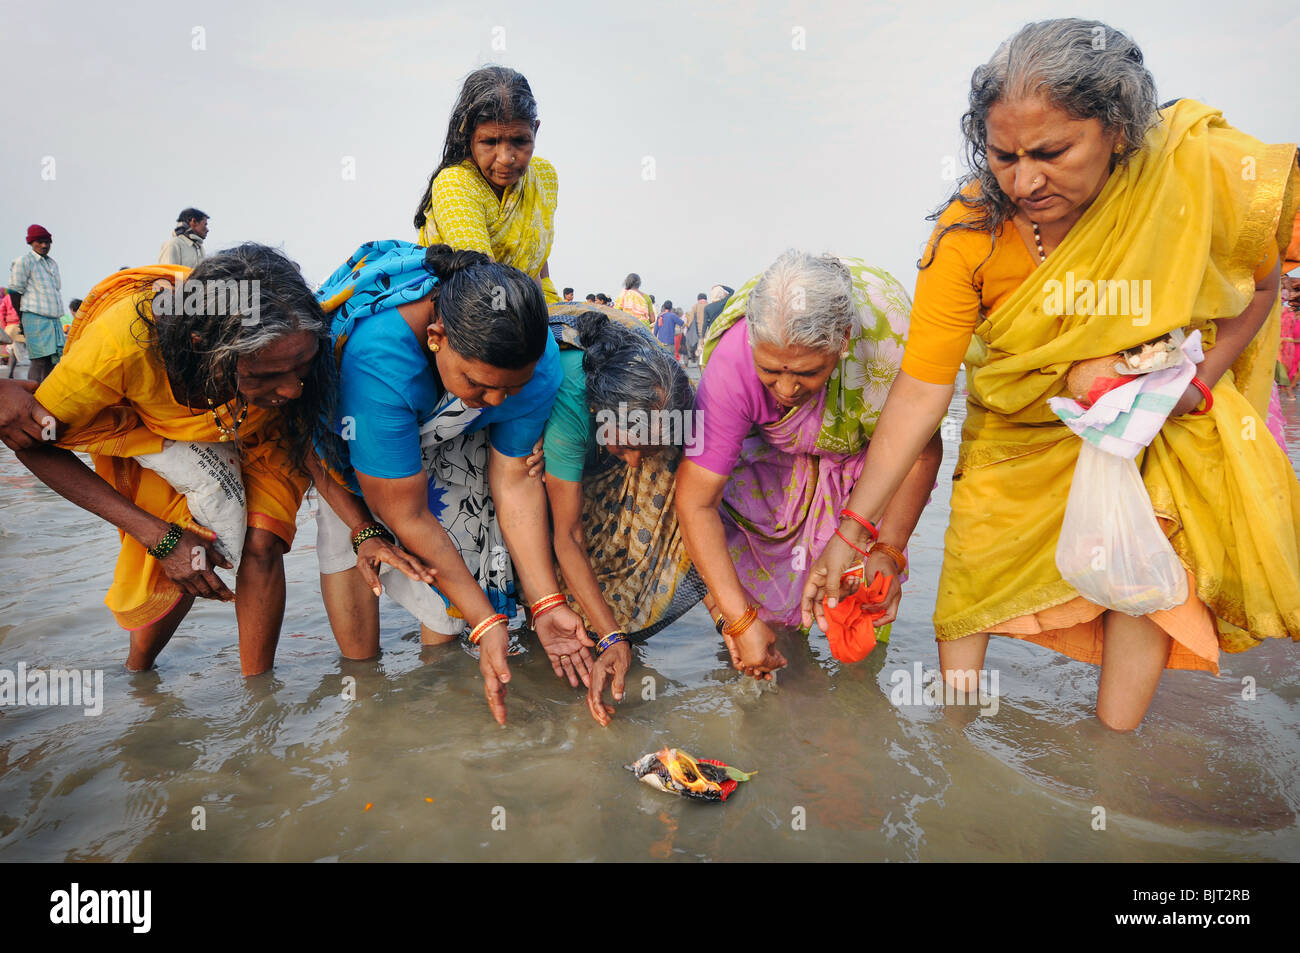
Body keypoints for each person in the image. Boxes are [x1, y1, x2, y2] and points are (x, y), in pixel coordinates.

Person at [801, 18, 1300, 732]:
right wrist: (853, 530)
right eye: (1003, 155)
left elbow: (1259, 286)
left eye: (1052, 152)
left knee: (1142, 562)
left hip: (1133, 428)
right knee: (969, 577)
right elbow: (920, 389)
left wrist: (1196, 384)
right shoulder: (968, 232)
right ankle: (957, 748)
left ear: (1118, 129)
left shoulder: (1184, 177)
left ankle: (1111, 756)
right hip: (1010, 434)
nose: (1025, 179)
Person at [0, 245, 418, 675]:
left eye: (301, 368)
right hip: (155, 427)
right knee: (190, 546)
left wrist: (363, 530)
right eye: (265, 373)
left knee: (263, 543)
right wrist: (157, 536)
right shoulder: (117, 350)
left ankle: (259, 704)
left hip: (263, 429)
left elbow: (305, 440)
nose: (293, 388)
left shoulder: (290, 360)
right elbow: (33, 444)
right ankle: (139, 676)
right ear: (204, 348)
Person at [314, 241, 592, 725]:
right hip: (354, 432)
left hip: (450, 427)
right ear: (437, 336)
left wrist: (547, 604)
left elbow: (513, 483)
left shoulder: (534, 359)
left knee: (457, 576)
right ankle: (363, 704)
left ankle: (441, 694)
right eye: (479, 384)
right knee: (354, 545)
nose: (496, 401)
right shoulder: (378, 361)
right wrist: (487, 623)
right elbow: (406, 513)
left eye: (510, 388)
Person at [678, 251, 942, 678]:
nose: (785, 388)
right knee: (763, 615)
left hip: (866, 465)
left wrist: (888, 549)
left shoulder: (889, 348)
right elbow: (696, 503)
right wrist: (740, 620)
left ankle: (860, 695)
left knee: (866, 594)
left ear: (842, 343)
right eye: (770, 370)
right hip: (772, 467)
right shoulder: (734, 362)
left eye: (806, 372)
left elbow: (921, 453)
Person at [542, 304, 704, 724]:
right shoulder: (571, 401)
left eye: (645, 449)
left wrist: (729, 618)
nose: (633, 462)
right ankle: (562, 624)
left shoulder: (671, 395)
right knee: (543, 526)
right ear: (601, 411)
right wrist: (610, 635)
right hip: (562, 435)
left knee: (678, 474)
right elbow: (569, 536)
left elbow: (699, 506)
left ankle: (614, 623)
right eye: (624, 444)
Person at [413, 66, 559, 304]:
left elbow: (536, 254)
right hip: (470, 314)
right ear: (467, 135)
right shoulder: (456, 184)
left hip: (533, 307)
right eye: (490, 142)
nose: (506, 158)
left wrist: (550, 306)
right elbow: (484, 282)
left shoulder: (544, 176)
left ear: (535, 130)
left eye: (520, 141)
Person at [8, 225, 64, 383]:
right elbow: (14, 292)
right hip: (34, 317)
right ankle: (32, 398)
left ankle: (46, 398)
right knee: (39, 359)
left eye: (47, 242)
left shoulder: (51, 263)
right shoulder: (23, 262)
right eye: (40, 242)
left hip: (53, 319)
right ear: (31, 242)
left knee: (53, 361)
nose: (44, 246)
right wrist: (22, 319)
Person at [685, 292, 707, 365]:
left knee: (699, 350)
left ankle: (700, 365)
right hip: (708, 331)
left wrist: (687, 327)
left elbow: (691, 320)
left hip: (698, 333)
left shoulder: (695, 306)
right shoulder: (709, 305)